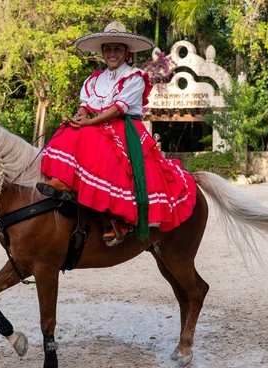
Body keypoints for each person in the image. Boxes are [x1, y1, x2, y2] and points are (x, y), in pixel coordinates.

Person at [37, 21, 197, 247]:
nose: (112, 54)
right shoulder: (94, 78)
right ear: (103, 52)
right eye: (108, 49)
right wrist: (80, 117)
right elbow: (86, 104)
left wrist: (89, 122)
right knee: (66, 131)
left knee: (94, 141)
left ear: (126, 52)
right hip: (97, 124)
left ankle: (117, 218)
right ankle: (62, 184)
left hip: (124, 127)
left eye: (117, 49)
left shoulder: (135, 77)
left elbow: (117, 109)